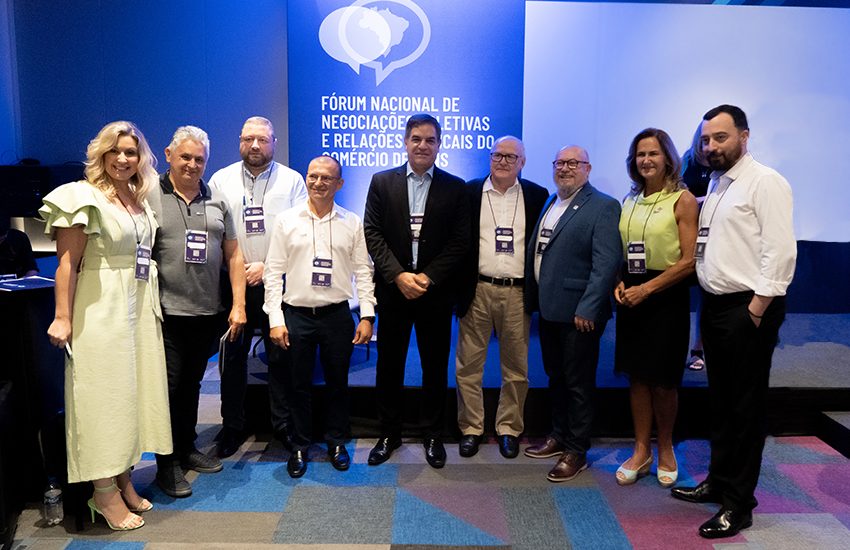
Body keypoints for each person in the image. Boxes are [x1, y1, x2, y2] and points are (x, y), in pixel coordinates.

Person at [671, 105, 796, 539]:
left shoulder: (765, 182)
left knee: (745, 408)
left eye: (721, 138)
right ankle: (719, 483)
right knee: (722, 404)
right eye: (706, 139)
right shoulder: (717, 182)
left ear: (744, 136)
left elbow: (780, 253)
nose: (711, 146)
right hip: (716, 306)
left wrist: (755, 310)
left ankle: (739, 504)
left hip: (747, 309)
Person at [41, 121, 171, 530]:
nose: (122, 159)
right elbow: (67, 264)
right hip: (100, 307)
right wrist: (63, 316)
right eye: (114, 151)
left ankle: (123, 477)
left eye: (130, 152)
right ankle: (103, 492)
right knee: (103, 397)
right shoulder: (82, 196)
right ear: (100, 154)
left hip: (137, 305)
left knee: (131, 395)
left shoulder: (137, 197)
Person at [363, 114, 469, 469]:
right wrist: (398, 276)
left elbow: (460, 241)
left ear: (439, 145)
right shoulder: (381, 182)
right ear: (405, 142)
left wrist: (427, 277)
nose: (423, 145)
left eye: (430, 140)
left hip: (434, 294)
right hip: (394, 293)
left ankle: (432, 434)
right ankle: (388, 433)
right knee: (389, 366)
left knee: (434, 367)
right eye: (416, 139)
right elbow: (372, 232)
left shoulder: (456, 187)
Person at [148, 126, 247, 497]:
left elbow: (234, 255)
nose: (192, 165)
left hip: (207, 312)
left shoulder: (218, 200)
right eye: (185, 157)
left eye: (199, 159)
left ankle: (186, 448)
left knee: (191, 385)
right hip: (164, 312)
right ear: (169, 155)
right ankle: (166, 463)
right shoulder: (148, 195)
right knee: (169, 388)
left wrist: (238, 305)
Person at [264, 155, 375, 478]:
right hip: (296, 315)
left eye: (326, 178)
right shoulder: (287, 220)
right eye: (313, 176)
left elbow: (363, 271)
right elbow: (273, 273)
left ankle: (336, 442)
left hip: (337, 315)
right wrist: (275, 319)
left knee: (338, 383)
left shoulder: (351, 222)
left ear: (339, 184)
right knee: (297, 385)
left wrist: (367, 315)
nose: (318, 183)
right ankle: (299, 445)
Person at [208, 116, 308, 457]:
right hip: (232, 282)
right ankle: (232, 427)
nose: (254, 145)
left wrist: (267, 266)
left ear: (274, 143)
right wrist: (238, 266)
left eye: (262, 140)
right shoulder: (220, 180)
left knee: (280, 357)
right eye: (248, 139)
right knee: (231, 358)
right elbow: (214, 232)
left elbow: (300, 232)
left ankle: (283, 426)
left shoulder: (292, 181)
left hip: (276, 282)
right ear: (239, 141)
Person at [523, 145, 621, 482]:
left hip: (579, 314)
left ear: (587, 168)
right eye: (560, 163)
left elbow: (606, 263)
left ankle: (577, 450)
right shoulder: (552, 201)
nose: (565, 168)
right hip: (550, 310)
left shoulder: (604, 206)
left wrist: (589, 307)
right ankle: (559, 435)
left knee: (578, 384)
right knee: (557, 377)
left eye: (573, 163)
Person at [613, 128, 698, 488]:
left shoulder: (683, 199)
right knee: (637, 377)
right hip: (631, 295)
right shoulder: (630, 199)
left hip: (665, 297)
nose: (646, 160)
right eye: (640, 154)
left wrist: (647, 289)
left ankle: (665, 447)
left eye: (653, 153)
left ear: (668, 158)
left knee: (663, 381)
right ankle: (640, 449)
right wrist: (619, 281)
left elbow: (689, 261)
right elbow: (623, 249)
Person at [455, 136, 548, 459]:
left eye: (511, 157)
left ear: (523, 162)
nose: (503, 161)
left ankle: (509, 428)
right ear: (490, 158)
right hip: (477, 289)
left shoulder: (537, 195)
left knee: (516, 367)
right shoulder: (470, 192)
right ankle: (471, 428)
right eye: (497, 155)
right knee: (468, 365)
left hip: (517, 292)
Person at [681, 122, 712, 371]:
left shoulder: (723, 163)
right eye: (704, 139)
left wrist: (701, 201)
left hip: (713, 234)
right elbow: (676, 191)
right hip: (685, 232)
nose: (708, 144)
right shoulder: (687, 160)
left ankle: (697, 349)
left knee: (706, 294)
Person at [0, 211, 39, 278]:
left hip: (17, 280)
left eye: (1, 239)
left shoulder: (19, 237)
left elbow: (31, 268)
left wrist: (26, 280)